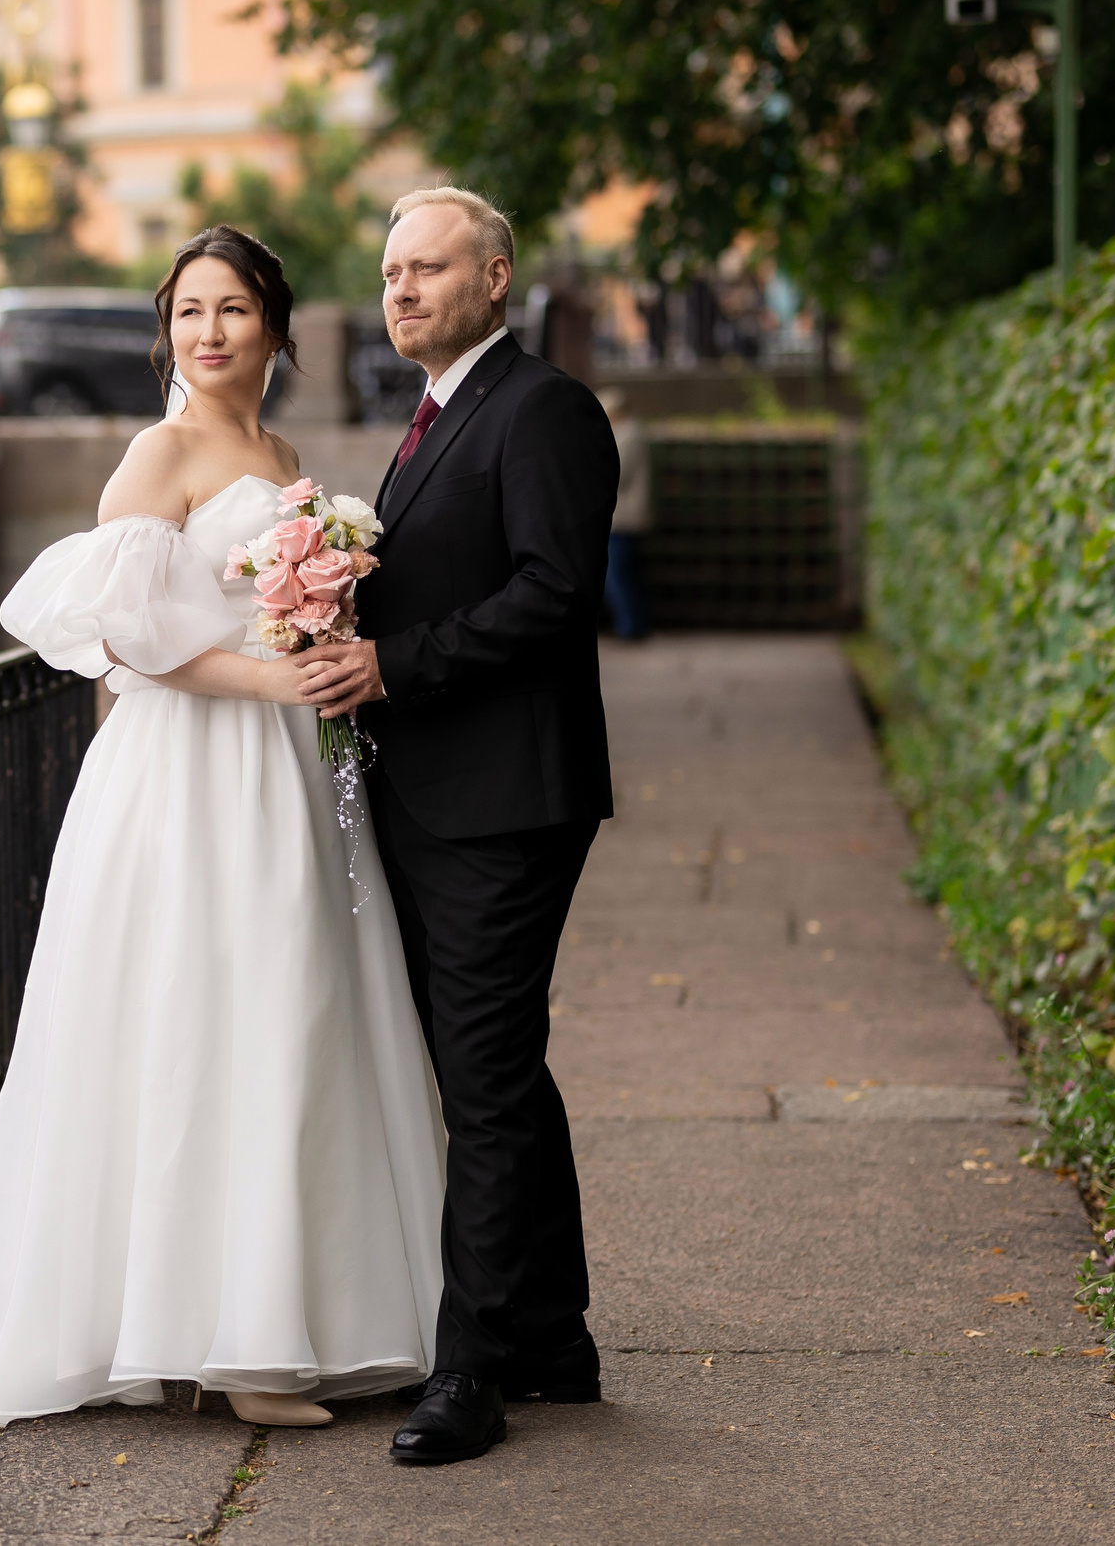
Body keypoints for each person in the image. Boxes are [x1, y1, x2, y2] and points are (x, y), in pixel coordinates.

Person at [0, 225, 447, 1429]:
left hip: (285, 765)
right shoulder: (159, 451)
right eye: (188, 312)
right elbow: (131, 645)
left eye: (233, 310)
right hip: (188, 769)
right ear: (165, 332)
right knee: (192, 1015)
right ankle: (226, 1346)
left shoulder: (279, 452)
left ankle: (274, 1320)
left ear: (275, 330)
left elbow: (256, 616)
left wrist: (313, 648)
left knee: (295, 1010)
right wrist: (274, 681)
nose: (210, 332)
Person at [324, 186, 619, 1464]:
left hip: (506, 800)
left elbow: (555, 596)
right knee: (492, 1071)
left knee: (484, 1083)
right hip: (439, 791)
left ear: (494, 278)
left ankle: (472, 1372)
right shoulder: (434, 414)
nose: (400, 290)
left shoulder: (544, 409)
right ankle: (552, 1338)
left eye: (427, 268)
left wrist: (392, 665)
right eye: (390, 271)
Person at [603, 388, 653, 640]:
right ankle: (630, 625)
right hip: (623, 519)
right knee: (622, 575)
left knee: (618, 576)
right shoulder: (627, 432)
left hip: (624, 520)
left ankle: (631, 627)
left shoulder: (628, 435)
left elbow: (616, 473)